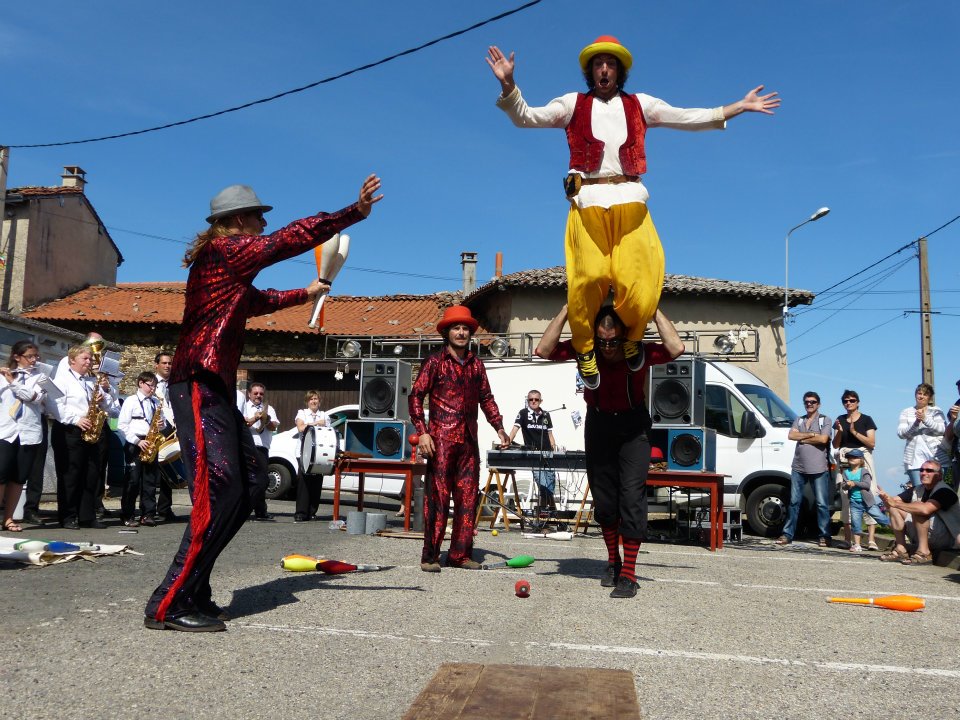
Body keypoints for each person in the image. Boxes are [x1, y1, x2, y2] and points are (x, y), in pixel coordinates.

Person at [144, 174, 382, 632]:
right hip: (197, 379)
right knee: (218, 491)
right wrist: (352, 213)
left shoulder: (227, 268)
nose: (262, 222)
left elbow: (259, 300)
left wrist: (306, 294)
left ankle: (195, 587)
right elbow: (284, 241)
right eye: (257, 215)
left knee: (250, 482)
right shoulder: (224, 252)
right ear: (236, 221)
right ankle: (168, 602)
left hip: (212, 383)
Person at [486, 37, 778, 389]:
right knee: (589, 278)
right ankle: (586, 350)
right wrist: (508, 84)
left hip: (631, 200)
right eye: (598, 64)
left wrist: (736, 107)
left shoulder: (641, 105)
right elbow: (527, 117)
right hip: (587, 202)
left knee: (640, 284)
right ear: (590, 72)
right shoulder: (571, 104)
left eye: (610, 64)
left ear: (619, 71)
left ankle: (631, 339)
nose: (604, 69)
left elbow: (685, 117)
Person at [536, 304, 684, 598]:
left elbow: (676, 348)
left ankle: (628, 574)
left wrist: (653, 309)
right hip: (599, 424)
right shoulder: (586, 351)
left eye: (613, 341)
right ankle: (613, 562)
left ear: (624, 336)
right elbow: (543, 349)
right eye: (602, 341)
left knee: (631, 497)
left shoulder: (638, 352)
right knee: (605, 502)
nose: (607, 347)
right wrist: (568, 307)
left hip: (634, 427)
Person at [409, 305, 511, 573]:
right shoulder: (435, 362)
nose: (462, 332)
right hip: (441, 440)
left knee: (467, 499)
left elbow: (487, 399)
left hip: (468, 442)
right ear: (447, 332)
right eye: (457, 327)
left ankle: (460, 555)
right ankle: (430, 556)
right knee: (438, 500)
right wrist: (422, 432)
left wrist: (499, 427)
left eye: (465, 328)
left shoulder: (477, 364)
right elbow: (416, 396)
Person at [51, 345, 119, 529]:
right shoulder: (62, 380)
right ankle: (68, 516)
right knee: (70, 475)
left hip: (91, 430)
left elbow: (112, 408)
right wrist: (76, 419)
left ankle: (86, 516)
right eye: (85, 359)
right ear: (72, 360)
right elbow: (55, 405)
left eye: (90, 359)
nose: (89, 362)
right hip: (69, 431)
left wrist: (102, 400)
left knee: (91, 473)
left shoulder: (90, 381)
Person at [0, 341, 50, 532]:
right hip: (6, 431)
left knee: (19, 478)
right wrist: (5, 380)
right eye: (30, 356)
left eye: (36, 356)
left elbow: (34, 397)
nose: (34, 360)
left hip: (29, 432)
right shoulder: (3, 377)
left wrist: (13, 383)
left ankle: (9, 518)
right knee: (1, 474)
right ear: (16, 357)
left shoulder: (42, 378)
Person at [777, 392, 833, 547]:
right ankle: (787, 534)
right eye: (807, 402)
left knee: (822, 504)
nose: (809, 404)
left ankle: (825, 535)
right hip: (798, 467)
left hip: (819, 468)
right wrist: (811, 435)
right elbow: (790, 436)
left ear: (818, 404)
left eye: (813, 402)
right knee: (794, 502)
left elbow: (823, 439)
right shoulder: (799, 419)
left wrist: (802, 436)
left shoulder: (825, 420)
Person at [878, 460, 960, 565]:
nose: (923, 473)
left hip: (948, 539)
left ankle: (924, 553)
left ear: (939, 476)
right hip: (929, 534)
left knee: (918, 507)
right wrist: (887, 500)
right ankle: (901, 549)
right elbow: (893, 502)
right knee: (896, 509)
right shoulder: (917, 489)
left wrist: (895, 503)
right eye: (921, 470)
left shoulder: (945, 491)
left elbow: (925, 509)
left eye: (929, 470)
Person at [832, 389, 880, 549]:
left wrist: (854, 432)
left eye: (852, 400)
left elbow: (872, 443)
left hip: (863, 456)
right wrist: (839, 431)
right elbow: (835, 444)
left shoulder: (867, 419)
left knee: (869, 493)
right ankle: (848, 539)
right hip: (845, 457)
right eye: (845, 401)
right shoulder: (840, 419)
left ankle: (871, 539)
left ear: (857, 402)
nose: (848, 403)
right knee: (846, 496)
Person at [117, 373, 162, 527]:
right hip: (135, 442)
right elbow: (122, 425)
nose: (153, 389)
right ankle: (127, 515)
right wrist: (137, 441)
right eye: (150, 385)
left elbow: (156, 424)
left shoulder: (155, 402)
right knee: (132, 480)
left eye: (155, 386)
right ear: (140, 383)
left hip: (150, 442)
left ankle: (148, 513)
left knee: (150, 481)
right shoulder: (131, 401)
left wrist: (160, 426)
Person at [507, 390, 558, 511]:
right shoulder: (523, 413)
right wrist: (507, 441)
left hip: (548, 453)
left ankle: (548, 513)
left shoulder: (546, 414)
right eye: (531, 399)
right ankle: (549, 513)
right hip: (534, 454)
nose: (534, 401)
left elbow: (550, 434)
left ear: (541, 401)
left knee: (550, 483)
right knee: (542, 484)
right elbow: (514, 430)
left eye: (536, 399)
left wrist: (554, 448)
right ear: (527, 400)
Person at [896, 382, 946, 489]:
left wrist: (925, 420)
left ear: (930, 397)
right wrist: (915, 424)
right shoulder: (906, 412)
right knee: (919, 492)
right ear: (915, 395)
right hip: (914, 461)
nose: (921, 396)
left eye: (925, 394)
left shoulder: (936, 411)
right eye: (919, 393)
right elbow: (901, 434)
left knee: (940, 490)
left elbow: (942, 430)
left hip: (937, 457)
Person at [242, 381, 279, 521]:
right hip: (246, 447)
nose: (258, 396)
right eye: (256, 393)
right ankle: (244, 510)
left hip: (262, 448)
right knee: (246, 480)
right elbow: (243, 424)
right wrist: (255, 417)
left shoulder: (269, 408)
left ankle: (260, 510)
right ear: (249, 394)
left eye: (261, 394)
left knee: (262, 480)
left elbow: (273, 427)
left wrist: (266, 419)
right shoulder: (244, 407)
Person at [840, 449, 888, 553]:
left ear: (861, 459)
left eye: (855, 457)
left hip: (868, 503)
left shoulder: (864, 471)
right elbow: (844, 485)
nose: (851, 459)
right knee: (856, 523)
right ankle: (857, 545)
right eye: (849, 457)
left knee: (881, 518)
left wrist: (854, 483)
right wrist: (846, 485)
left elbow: (866, 485)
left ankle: (899, 533)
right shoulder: (846, 472)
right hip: (854, 502)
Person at [153, 350, 181, 522]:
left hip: (172, 429)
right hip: (157, 429)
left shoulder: (173, 384)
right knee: (150, 473)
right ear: (156, 365)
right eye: (164, 363)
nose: (167, 366)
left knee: (168, 469)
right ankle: (147, 510)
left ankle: (164, 508)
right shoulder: (151, 383)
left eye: (169, 363)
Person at [293, 390, 328, 523]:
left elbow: (327, 432)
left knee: (316, 483)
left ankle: (312, 512)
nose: (314, 401)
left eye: (316, 399)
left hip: (319, 454)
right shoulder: (302, 413)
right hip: (304, 453)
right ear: (307, 401)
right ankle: (301, 513)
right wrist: (315, 424)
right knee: (304, 483)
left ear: (320, 401)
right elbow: (301, 428)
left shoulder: (324, 415)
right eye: (311, 399)